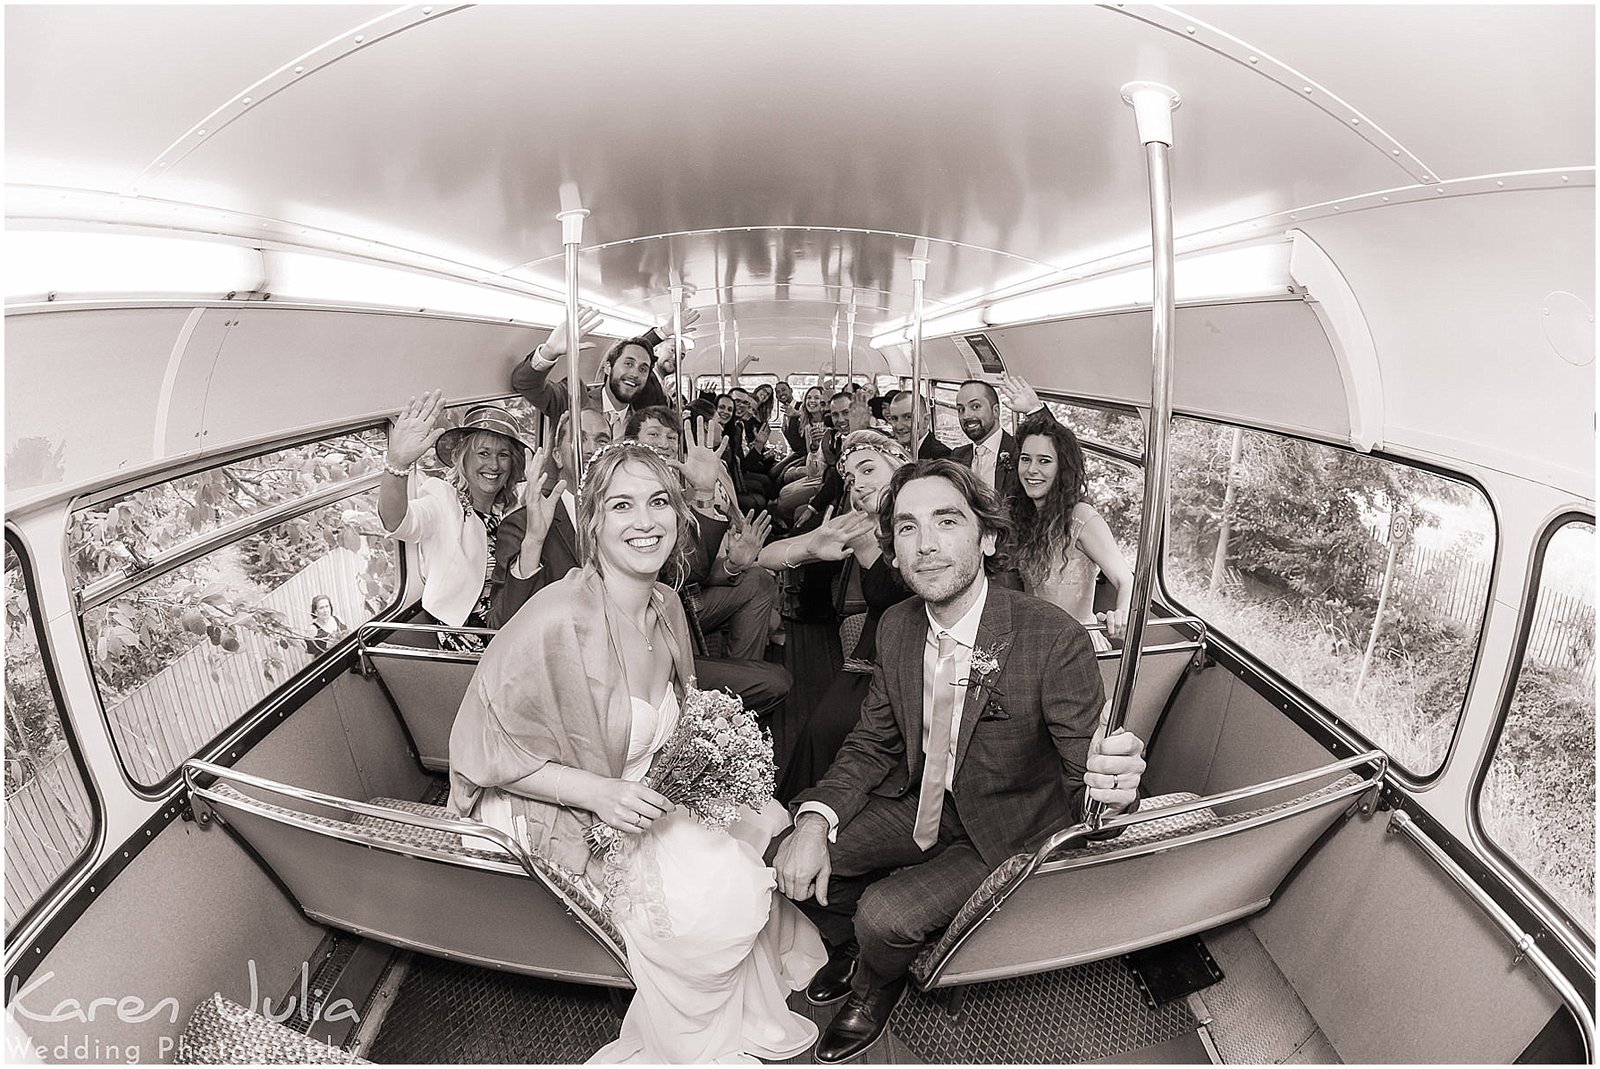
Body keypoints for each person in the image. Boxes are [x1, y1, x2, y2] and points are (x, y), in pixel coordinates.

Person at [449, 442, 825, 1063]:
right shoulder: (557, 619)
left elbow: (677, 707)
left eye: (658, 503)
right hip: (562, 801)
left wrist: (707, 765)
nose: (644, 521)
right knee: (722, 897)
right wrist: (599, 792)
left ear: (679, 516)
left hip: (644, 786)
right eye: (622, 505)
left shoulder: (668, 604)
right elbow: (479, 744)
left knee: (763, 823)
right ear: (594, 521)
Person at [773, 459, 1147, 1063]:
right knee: (787, 855)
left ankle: (877, 979)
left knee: (882, 915)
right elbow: (873, 743)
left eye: (947, 521)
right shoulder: (895, 627)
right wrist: (815, 821)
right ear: (892, 549)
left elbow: (1089, 780)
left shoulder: (1050, 638)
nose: (926, 544)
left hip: (1001, 828)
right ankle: (858, 948)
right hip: (920, 803)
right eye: (906, 527)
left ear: (988, 537)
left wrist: (1117, 785)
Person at [758, 431, 913, 800]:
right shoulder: (864, 530)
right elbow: (764, 557)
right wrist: (810, 546)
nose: (858, 484)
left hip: (924, 655)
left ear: (900, 466)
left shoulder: (935, 523)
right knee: (820, 730)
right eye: (850, 478)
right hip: (874, 659)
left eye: (868, 469)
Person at [378, 394, 555, 651]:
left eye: (503, 455)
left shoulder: (515, 509)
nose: (493, 464)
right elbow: (397, 521)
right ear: (463, 457)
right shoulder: (443, 500)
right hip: (468, 634)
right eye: (483, 453)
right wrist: (397, 463)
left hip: (516, 620)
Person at [1012, 413, 1135, 652]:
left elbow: (1126, 579)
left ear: (1062, 468)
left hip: (1075, 643)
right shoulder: (1026, 515)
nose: (1031, 470)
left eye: (1044, 461)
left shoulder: (1082, 518)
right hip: (1035, 640)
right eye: (1026, 459)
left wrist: (1122, 613)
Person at [511, 308, 698, 441]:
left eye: (643, 369)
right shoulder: (575, 399)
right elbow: (525, 384)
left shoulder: (642, 424)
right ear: (607, 368)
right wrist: (549, 351)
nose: (634, 373)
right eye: (628, 364)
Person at [948, 374, 1055, 500]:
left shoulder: (1020, 452)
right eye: (961, 409)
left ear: (996, 411)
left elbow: (1060, 449)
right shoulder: (958, 456)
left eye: (975, 407)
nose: (966, 415)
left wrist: (1034, 409)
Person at [885, 390, 952, 460]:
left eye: (908, 417)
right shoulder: (898, 449)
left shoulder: (940, 457)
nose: (899, 426)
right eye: (894, 419)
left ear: (926, 420)